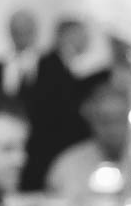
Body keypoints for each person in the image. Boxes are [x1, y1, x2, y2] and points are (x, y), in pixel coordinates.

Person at [24, 17, 112, 191]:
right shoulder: (48, 65)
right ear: (67, 36)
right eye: (83, 34)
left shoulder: (63, 66)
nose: (88, 40)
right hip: (49, 152)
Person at [44, 83, 131, 199]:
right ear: (92, 121)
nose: (113, 129)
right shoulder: (67, 166)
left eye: (120, 119)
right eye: (105, 120)